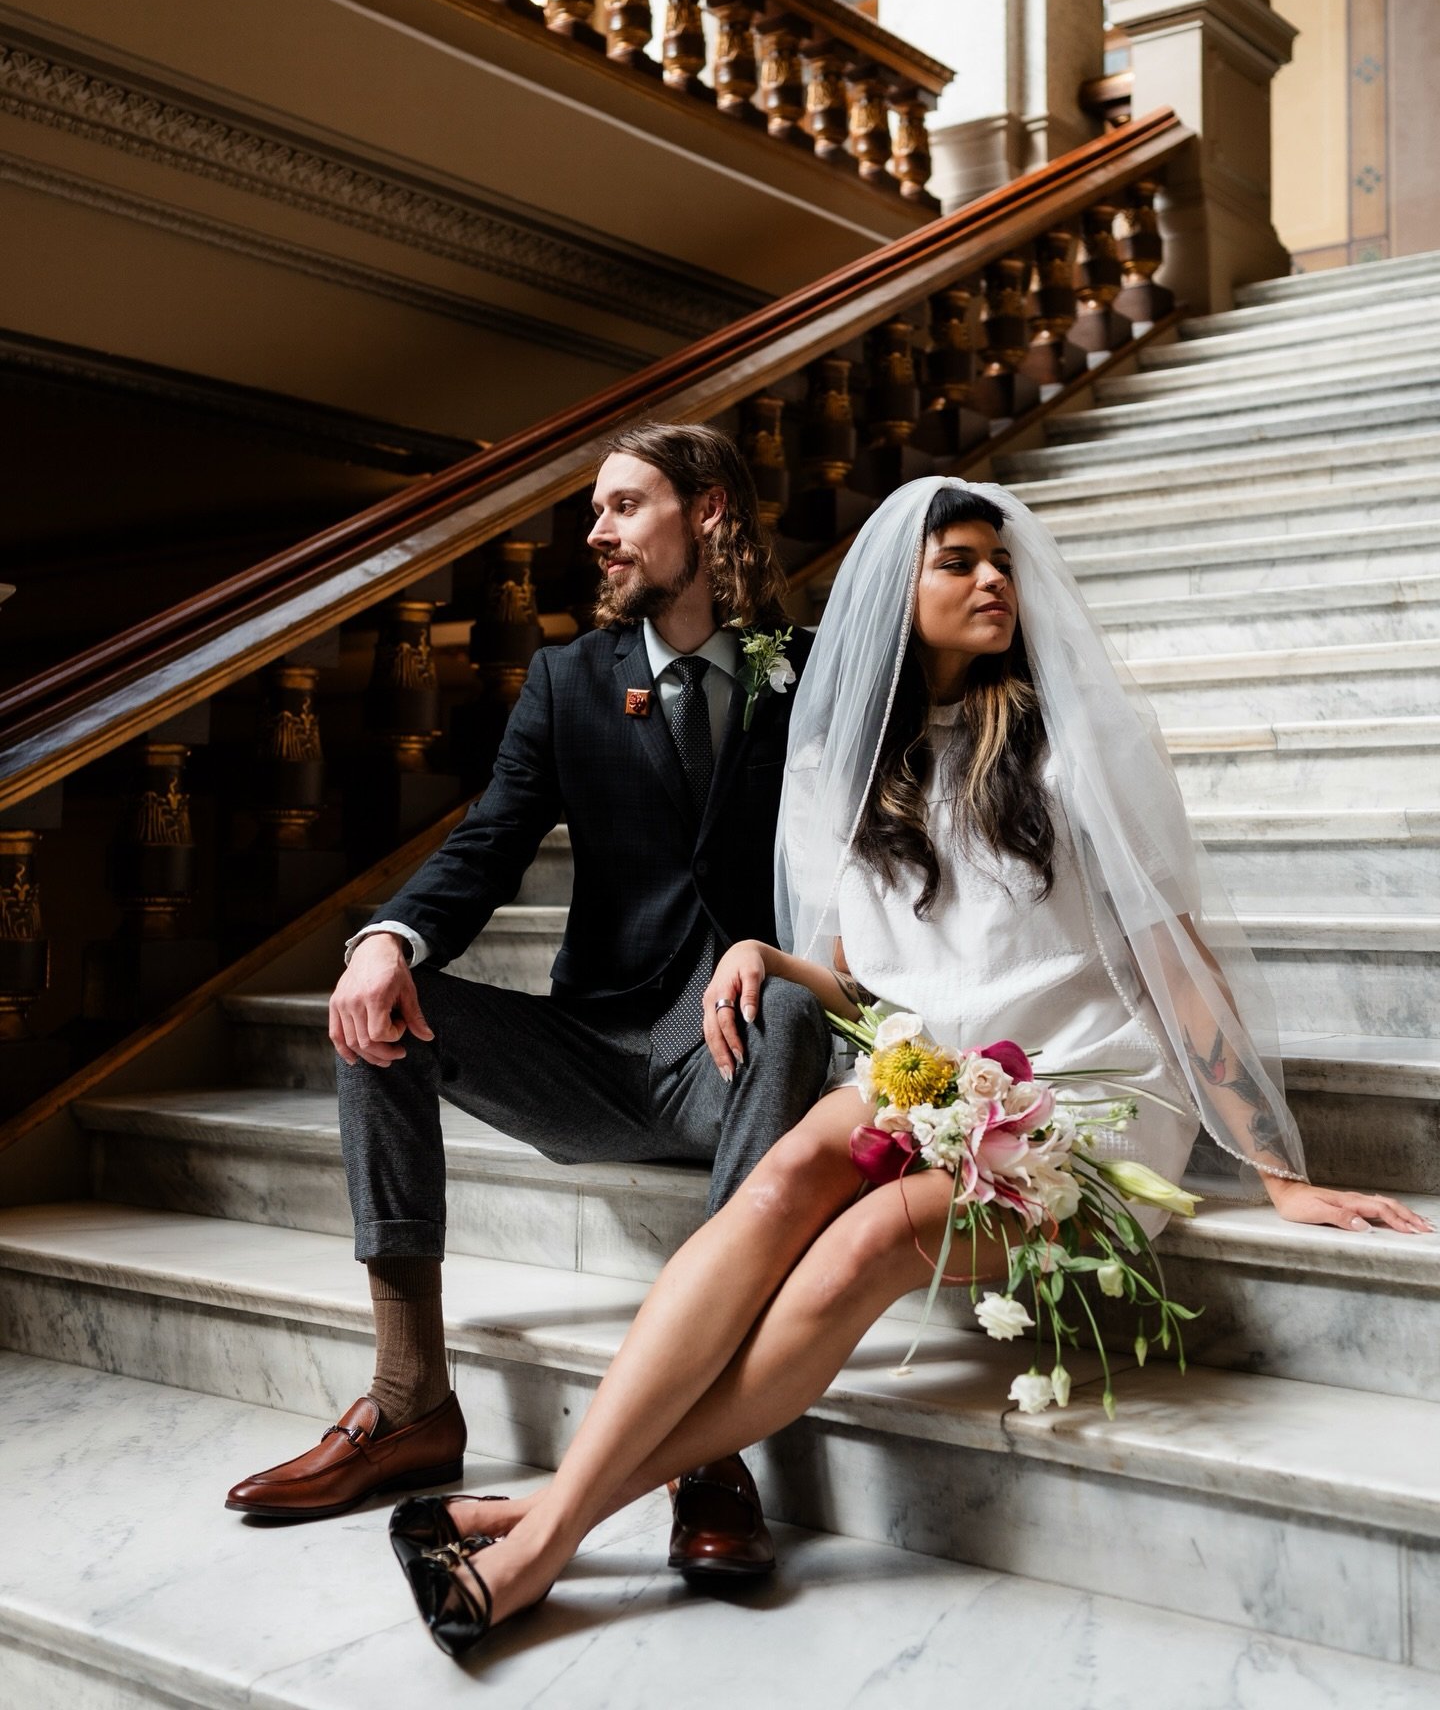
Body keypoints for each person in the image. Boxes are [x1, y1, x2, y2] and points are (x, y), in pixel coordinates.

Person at [388, 475, 1433, 1659]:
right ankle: (551, 1514)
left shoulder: (1075, 745)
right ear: (900, 592)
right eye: (959, 563)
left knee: (869, 1241)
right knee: (785, 1177)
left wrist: (1274, 1164)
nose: (993, 579)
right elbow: (871, 993)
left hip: (1083, 1097)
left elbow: (1177, 966)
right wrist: (766, 957)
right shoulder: (842, 763)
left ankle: (543, 1530)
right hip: (933, 1079)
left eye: (1000, 561)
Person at [224, 424, 833, 1579]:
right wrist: (387, 940)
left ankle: (707, 1445)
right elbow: (491, 841)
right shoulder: (568, 680)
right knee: (382, 1016)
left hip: (739, 1059)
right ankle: (409, 1401)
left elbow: (868, 858)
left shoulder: (798, 666)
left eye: (622, 506)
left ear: (707, 511)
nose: (595, 534)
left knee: (789, 1015)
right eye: (594, 513)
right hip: (595, 1054)